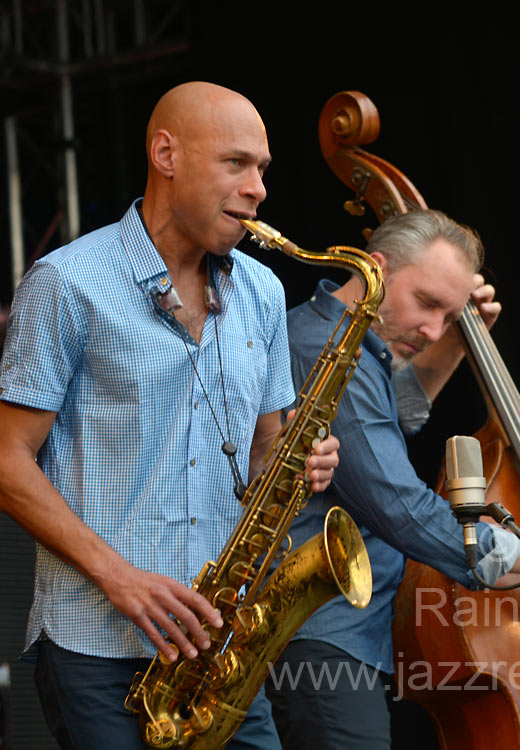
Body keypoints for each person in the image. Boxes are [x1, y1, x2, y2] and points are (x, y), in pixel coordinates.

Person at [0, 82, 341, 750]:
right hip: (95, 646)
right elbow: (7, 461)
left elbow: (263, 458)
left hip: (217, 650)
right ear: (166, 154)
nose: (258, 189)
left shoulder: (265, 292)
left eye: (262, 170)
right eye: (236, 164)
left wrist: (300, 462)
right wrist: (119, 577)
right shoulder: (67, 284)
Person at [266, 209, 520, 749]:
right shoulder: (324, 347)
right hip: (321, 638)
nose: (436, 329)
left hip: (341, 639)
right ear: (375, 268)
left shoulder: (348, 346)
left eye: (451, 314)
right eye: (429, 304)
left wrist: (465, 339)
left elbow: (392, 417)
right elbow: (405, 511)